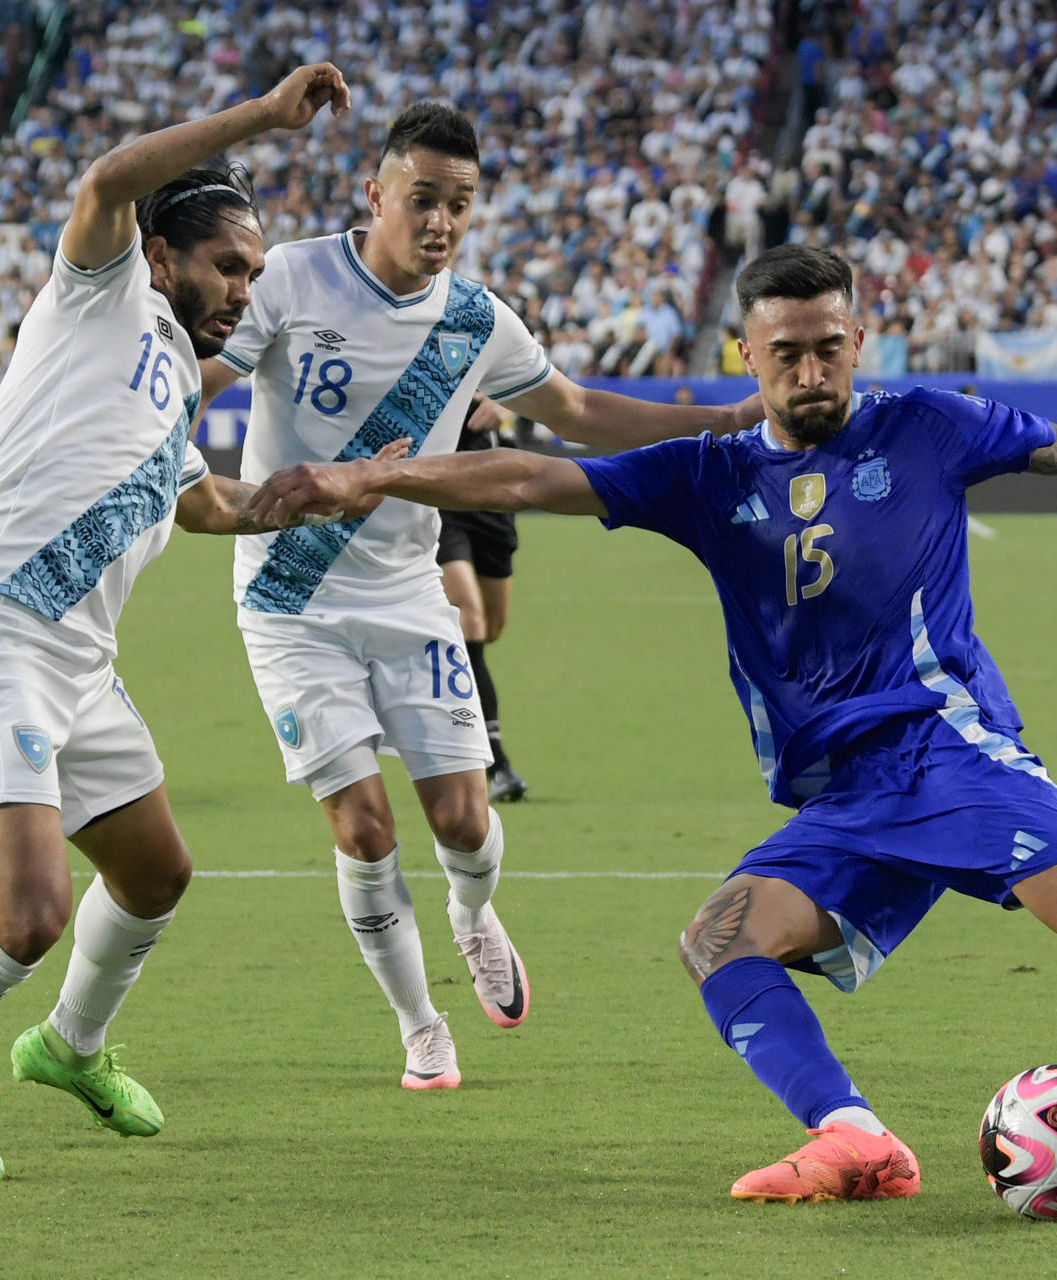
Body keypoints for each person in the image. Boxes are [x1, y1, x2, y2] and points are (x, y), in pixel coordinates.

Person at [244, 244, 1057, 1203]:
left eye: (829, 346)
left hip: (945, 748)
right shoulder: (705, 474)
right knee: (720, 939)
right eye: (785, 352)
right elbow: (528, 477)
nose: (810, 370)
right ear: (746, 351)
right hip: (841, 789)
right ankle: (854, 1136)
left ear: (859, 337)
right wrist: (373, 474)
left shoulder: (927, 426)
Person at [197, 103, 760, 1091]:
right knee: (363, 826)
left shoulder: (476, 320)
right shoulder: (289, 275)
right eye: (423, 199)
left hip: (410, 590)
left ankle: (470, 909)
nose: (442, 222)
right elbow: (207, 368)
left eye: (460, 203)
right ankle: (421, 1025)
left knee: (461, 818)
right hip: (289, 595)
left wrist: (725, 420)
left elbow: (578, 410)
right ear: (375, 194)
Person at [0, 65, 362, 1183]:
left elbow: (209, 504)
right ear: (161, 255)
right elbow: (105, 178)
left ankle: (69, 1046)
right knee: (31, 911)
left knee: (155, 874)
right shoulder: (97, 293)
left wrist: (324, 487)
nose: (244, 289)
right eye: (228, 265)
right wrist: (262, 118)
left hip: (79, 665)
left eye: (254, 273)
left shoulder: (176, 382)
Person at [437, 391, 530, 802]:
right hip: (438, 493)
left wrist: (510, 401)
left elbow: (534, 380)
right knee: (468, 616)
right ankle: (495, 763)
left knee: (489, 628)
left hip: (494, 493)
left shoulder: (492, 330)